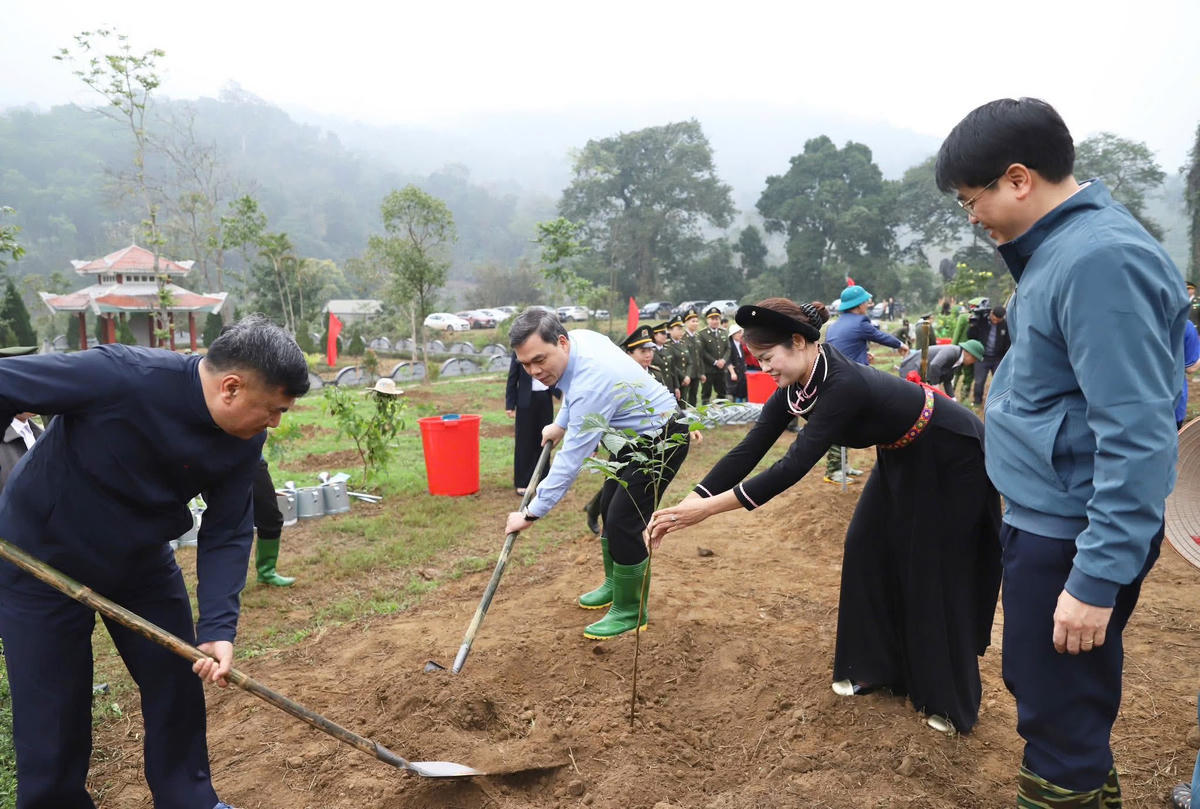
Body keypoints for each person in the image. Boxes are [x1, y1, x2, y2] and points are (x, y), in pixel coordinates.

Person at [936, 97, 1187, 805]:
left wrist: (1095, 576)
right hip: (1051, 514)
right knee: (1056, 697)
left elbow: (1136, 433)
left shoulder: (1099, 260)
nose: (972, 216)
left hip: (1074, 529)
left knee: (1059, 710)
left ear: (1018, 179)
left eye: (971, 198)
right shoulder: (1060, 254)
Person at [648, 298, 1001, 733]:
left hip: (949, 451)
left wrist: (709, 510)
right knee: (865, 546)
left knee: (932, 568)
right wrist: (690, 501)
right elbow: (750, 448)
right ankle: (876, 668)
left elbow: (793, 465)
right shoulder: (796, 386)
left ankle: (947, 703)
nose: (766, 369)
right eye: (759, 361)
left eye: (767, 358)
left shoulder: (842, 384)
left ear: (798, 342)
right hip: (900, 453)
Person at [0, 314, 308, 809]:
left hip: (139, 559)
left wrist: (219, 628)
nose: (274, 422)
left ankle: (189, 797)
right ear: (231, 387)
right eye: (274, 409)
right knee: (52, 706)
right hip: (40, 557)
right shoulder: (119, 376)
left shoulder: (245, 439)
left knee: (176, 679)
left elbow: (228, 528)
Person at [504, 308, 689, 639]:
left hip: (661, 439)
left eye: (539, 360)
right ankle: (614, 585)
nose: (534, 372)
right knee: (608, 507)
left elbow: (570, 460)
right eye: (525, 365)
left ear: (561, 342)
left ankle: (631, 610)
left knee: (624, 521)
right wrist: (560, 424)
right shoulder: (581, 340)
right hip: (630, 439)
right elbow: (572, 390)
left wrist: (532, 512)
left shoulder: (593, 379)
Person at [823, 284, 908, 484]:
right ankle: (833, 470)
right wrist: (900, 344)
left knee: (849, 421)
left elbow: (842, 347)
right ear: (859, 305)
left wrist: (862, 354)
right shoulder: (860, 321)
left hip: (836, 377)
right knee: (842, 423)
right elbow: (879, 336)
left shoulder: (837, 324)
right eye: (866, 302)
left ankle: (842, 465)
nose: (868, 305)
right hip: (848, 382)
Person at [506, 353, 558, 495]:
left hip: (545, 399)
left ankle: (543, 479)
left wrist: (563, 393)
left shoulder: (544, 349)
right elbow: (512, 377)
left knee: (545, 439)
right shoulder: (518, 352)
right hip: (525, 401)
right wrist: (510, 404)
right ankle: (522, 482)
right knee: (524, 441)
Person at [252, 456, 295, 587]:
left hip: (251, 459)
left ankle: (266, 572)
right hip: (216, 461)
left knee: (270, 518)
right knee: (228, 525)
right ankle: (226, 585)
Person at [897, 339, 984, 398]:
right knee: (907, 397)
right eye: (975, 359)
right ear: (968, 354)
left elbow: (947, 381)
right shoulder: (952, 352)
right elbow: (935, 365)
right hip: (912, 368)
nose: (974, 362)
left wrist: (953, 399)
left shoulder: (958, 360)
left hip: (921, 374)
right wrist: (936, 387)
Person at [968, 305, 1011, 407]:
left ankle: (998, 402)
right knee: (979, 381)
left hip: (997, 358)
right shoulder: (983, 322)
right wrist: (972, 326)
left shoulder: (1005, 325)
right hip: (982, 357)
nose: (995, 321)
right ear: (991, 313)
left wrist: (1005, 359)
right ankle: (977, 402)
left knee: (1000, 381)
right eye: (994, 319)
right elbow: (971, 336)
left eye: (998, 320)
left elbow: (1008, 343)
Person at [698, 306, 729, 404]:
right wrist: (715, 362)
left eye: (717, 319)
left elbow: (728, 348)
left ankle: (722, 414)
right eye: (712, 319)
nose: (715, 321)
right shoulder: (702, 334)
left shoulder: (723, 332)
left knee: (722, 393)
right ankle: (705, 416)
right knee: (706, 394)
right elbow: (702, 352)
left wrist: (723, 360)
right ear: (707, 320)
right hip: (709, 369)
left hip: (721, 369)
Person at [682, 308, 704, 406]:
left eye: (696, 321)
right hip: (686, 373)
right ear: (686, 322)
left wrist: (702, 372)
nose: (695, 323)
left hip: (696, 372)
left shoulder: (698, 336)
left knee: (693, 397)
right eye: (693, 321)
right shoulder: (682, 337)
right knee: (683, 398)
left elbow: (700, 356)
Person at [726, 323, 748, 403]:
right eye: (738, 333)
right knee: (732, 393)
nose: (740, 335)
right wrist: (732, 373)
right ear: (733, 335)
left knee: (741, 392)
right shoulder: (730, 345)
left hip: (741, 373)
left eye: (740, 332)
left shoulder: (740, 345)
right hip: (733, 374)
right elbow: (728, 360)